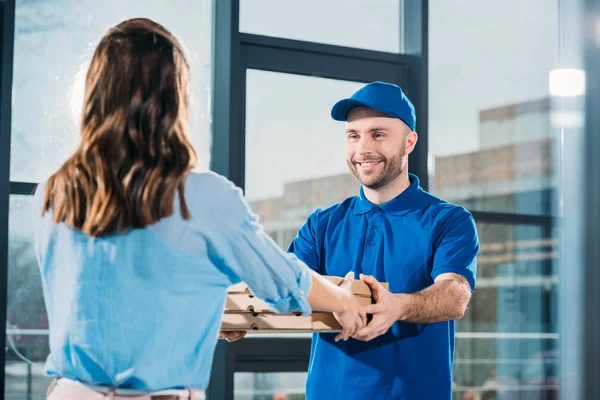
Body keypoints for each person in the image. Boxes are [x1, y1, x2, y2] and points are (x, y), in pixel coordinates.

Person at [33, 18, 365, 400]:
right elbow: (283, 283)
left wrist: (204, 305)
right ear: (174, 99)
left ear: (96, 93)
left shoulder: (51, 193)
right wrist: (343, 299)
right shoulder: (202, 197)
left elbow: (109, 298)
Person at [287, 81, 480, 399]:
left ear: (409, 142)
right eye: (354, 135)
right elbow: (286, 285)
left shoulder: (448, 220)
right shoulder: (321, 224)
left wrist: (399, 306)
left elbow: (455, 295)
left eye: (378, 134)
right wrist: (238, 317)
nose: (362, 149)